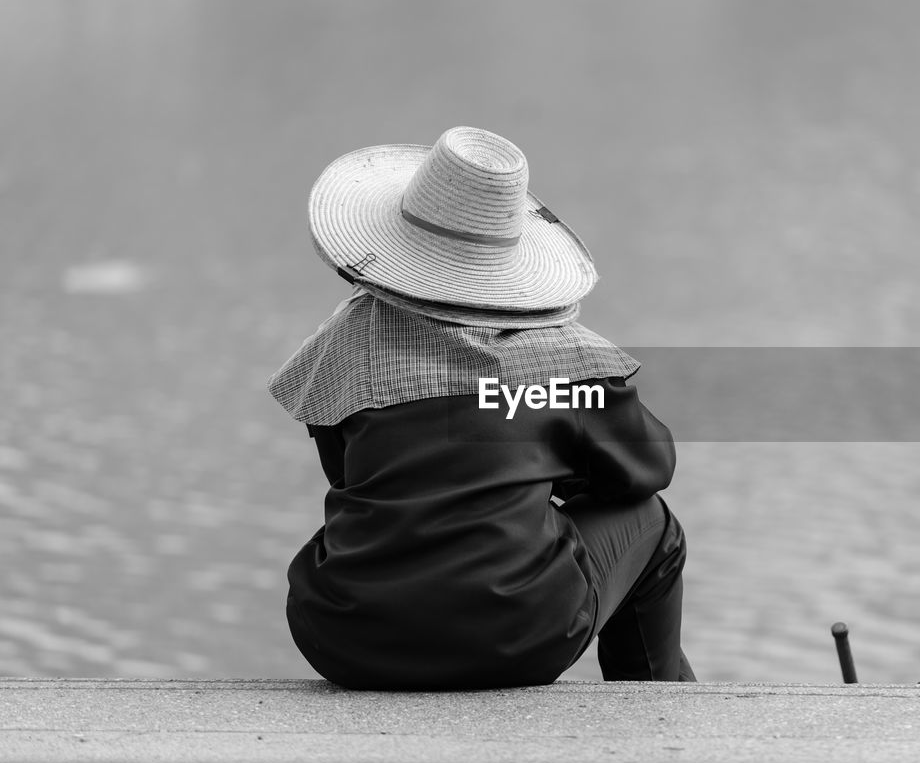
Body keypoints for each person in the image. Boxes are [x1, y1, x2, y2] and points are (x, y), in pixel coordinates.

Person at [268, 125, 695, 690]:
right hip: (521, 638)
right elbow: (647, 469)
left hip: (344, 638)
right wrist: (543, 460)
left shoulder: (351, 339)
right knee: (654, 525)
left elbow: (345, 470)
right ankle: (663, 711)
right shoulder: (560, 358)